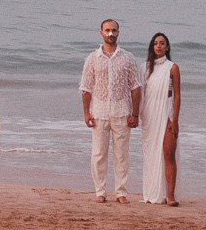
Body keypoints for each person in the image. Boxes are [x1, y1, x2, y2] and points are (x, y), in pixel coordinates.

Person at [78, 18, 142, 205]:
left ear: (118, 32)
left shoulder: (127, 58)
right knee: (99, 154)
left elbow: (135, 87)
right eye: (107, 30)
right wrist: (86, 113)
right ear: (101, 33)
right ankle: (100, 191)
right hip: (99, 112)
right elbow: (86, 88)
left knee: (122, 155)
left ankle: (121, 192)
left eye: (114, 30)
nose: (110, 33)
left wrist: (135, 114)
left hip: (122, 112)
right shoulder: (92, 58)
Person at [141, 32, 183, 206]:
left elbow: (177, 95)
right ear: (152, 47)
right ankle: (153, 193)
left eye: (162, 43)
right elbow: (140, 93)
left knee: (168, 152)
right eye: (155, 43)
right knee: (151, 154)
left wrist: (175, 119)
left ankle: (171, 195)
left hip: (166, 113)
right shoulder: (144, 67)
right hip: (150, 114)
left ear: (167, 47)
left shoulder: (172, 67)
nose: (158, 46)